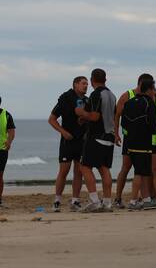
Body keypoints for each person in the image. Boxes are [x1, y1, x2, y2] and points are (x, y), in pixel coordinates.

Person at [76, 69, 116, 213]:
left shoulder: (96, 94)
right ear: (105, 79)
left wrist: (81, 113)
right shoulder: (112, 95)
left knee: (85, 167)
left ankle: (94, 201)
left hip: (97, 136)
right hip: (110, 136)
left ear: (92, 80)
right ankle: (107, 202)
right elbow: (111, 117)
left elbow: (95, 117)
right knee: (104, 168)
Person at [49, 76, 90, 212]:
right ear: (75, 84)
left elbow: (90, 119)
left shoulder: (87, 100)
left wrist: (84, 121)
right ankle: (57, 201)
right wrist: (63, 132)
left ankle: (75, 201)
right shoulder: (65, 98)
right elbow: (52, 119)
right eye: (83, 84)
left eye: (87, 84)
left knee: (79, 172)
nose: (86, 86)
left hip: (82, 141)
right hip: (68, 141)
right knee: (63, 171)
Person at [114, 73, 154, 208]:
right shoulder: (127, 95)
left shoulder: (150, 96)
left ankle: (145, 197)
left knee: (143, 169)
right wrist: (116, 133)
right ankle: (118, 198)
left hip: (142, 138)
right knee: (126, 167)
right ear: (141, 83)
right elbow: (118, 115)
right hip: (130, 138)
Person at [121, 80, 156, 210]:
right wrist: (147, 130)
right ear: (148, 90)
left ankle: (147, 199)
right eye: (153, 89)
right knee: (140, 172)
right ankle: (133, 201)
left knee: (143, 171)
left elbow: (124, 123)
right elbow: (154, 125)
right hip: (144, 142)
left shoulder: (129, 102)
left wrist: (132, 132)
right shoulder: (149, 102)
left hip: (130, 142)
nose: (154, 92)